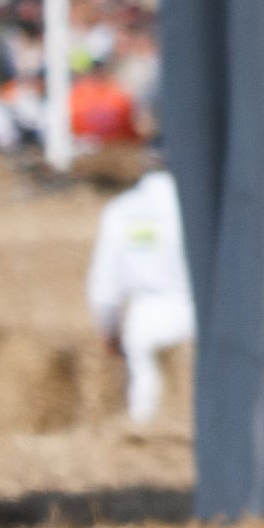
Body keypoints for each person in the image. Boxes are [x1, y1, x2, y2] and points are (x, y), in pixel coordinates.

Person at [85, 157, 195, 424]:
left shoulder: (122, 210)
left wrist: (108, 330)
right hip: (195, 312)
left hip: (146, 316)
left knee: (146, 399)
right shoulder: (198, 206)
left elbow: (104, 287)